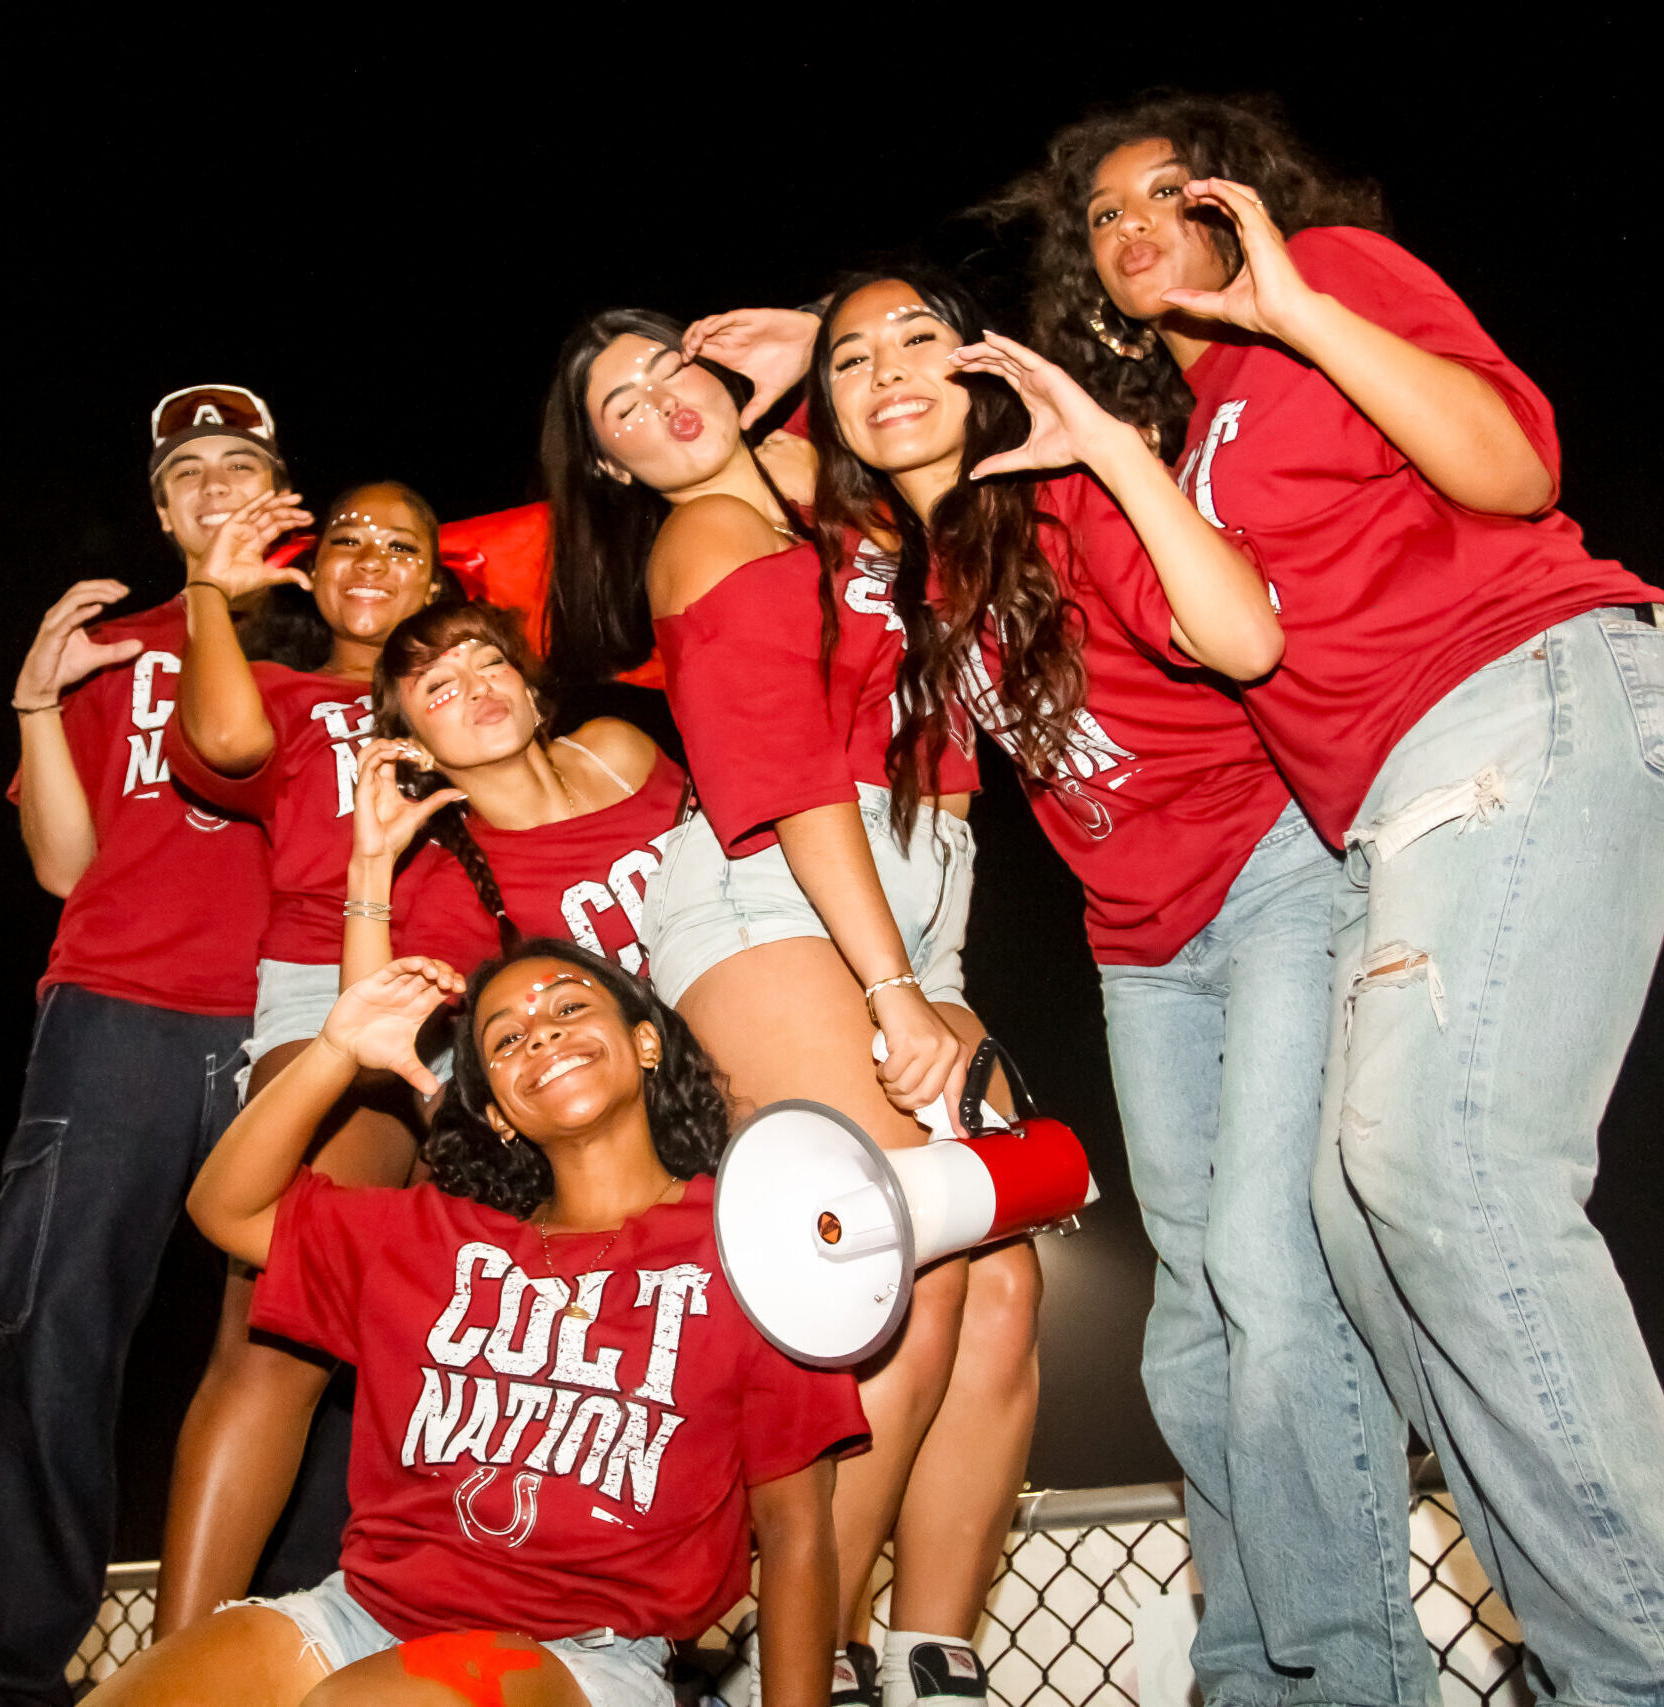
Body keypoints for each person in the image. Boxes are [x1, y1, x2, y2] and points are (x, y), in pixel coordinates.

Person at [1007, 92, 1664, 1707]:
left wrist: (1296, 300)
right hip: (1391, 804)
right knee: (1363, 1234)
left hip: (1525, 693)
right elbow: (1236, 647)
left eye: (1169, 191)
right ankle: (1599, 1654)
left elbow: (1507, 468)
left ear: (1243, 202)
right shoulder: (1193, 425)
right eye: (1101, 214)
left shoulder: (1335, 279)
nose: (1133, 222)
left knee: (1437, 1163)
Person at [766, 270, 1434, 1705]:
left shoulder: (1062, 496)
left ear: (987, 365)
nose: (885, 374)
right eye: (851, 361)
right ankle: (1253, 1662)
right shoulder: (913, 564)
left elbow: (1238, 630)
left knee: (1268, 1271)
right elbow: (720, 485)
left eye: (918, 342)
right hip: (1137, 944)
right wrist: (783, 353)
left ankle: (1357, 1673)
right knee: (1191, 1314)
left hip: (1269, 879)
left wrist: (1117, 464)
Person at [542, 313, 1038, 1707]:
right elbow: (787, 770)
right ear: (610, 462)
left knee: (998, 1274)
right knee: (892, 1259)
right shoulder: (700, 540)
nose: (661, 408)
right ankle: (800, 1643)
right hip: (780, 884)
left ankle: (932, 1655)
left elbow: (903, 392)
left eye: (670, 372)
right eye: (622, 410)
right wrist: (894, 985)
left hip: (909, 877)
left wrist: (799, 352)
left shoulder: (834, 503)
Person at [86, 941, 866, 1707]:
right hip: (359, 1615)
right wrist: (334, 1048)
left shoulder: (752, 1244)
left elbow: (795, 1529)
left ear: (647, 1039)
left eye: (569, 1006)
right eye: (508, 1039)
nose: (544, 1034)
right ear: (497, 1110)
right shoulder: (432, 1240)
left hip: (581, 1657)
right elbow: (225, 1207)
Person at [0, 386, 285, 1707]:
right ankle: (10, 1671)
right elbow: (62, 867)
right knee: (58, 1327)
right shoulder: (112, 652)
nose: (212, 485)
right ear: (160, 508)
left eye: (240, 463)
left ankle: (291, 1647)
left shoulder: (335, 631)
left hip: (287, 1019)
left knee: (302, 1336)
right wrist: (36, 703)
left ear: (278, 492)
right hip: (118, 1014)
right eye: (187, 470)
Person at [153, 479, 458, 1632]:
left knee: (454, 1360)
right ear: (311, 567)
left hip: (490, 1020)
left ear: (437, 576)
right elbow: (221, 739)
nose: (371, 559)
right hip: (337, 995)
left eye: (402, 544)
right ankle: (180, 1672)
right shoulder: (280, 691)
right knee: (277, 1331)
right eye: (346, 540)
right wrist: (209, 598)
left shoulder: (463, 690)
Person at [341, 599, 687, 997]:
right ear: (417, 750)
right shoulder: (459, 900)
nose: (478, 688)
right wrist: (371, 865)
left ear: (530, 693)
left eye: (489, 662)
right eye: (439, 685)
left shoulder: (618, 750)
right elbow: (370, 1036)